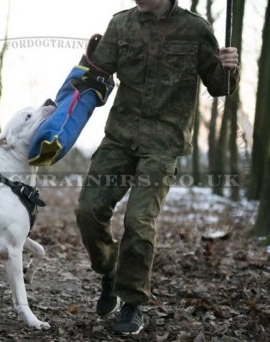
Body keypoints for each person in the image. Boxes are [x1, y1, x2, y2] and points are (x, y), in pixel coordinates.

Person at [75, 0, 240, 335]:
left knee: (139, 220)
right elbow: (96, 76)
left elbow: (219, 87)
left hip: (164, 144)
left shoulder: (196, 29)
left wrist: (230, 67)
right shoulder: (121, 24)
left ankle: (133, 303)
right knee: (88, 211)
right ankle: (109, 268)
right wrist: (86, 67)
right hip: (118, 138)